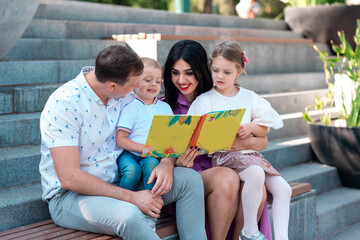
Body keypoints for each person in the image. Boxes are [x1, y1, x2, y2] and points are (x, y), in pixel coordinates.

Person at [39, 45, 207, 240]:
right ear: (112, 86)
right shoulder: (64, 104)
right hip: (73, 196)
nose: (136, 90)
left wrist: (166, 163)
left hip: (125, 181)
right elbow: (70, 178)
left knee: (189, 179)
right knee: (130, 215)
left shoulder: (123, 94)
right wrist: (133, 198)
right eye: (132, 86)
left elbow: (161, 140)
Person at [162, 39, 272, 240]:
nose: (181, 80)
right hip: (191, 178)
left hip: (225, 167)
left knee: (259, 190)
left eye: (188, 72)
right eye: (175, 73)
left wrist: (245, 142)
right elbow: (163, 152)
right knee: (227, 178)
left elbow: (262, 141)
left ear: (201, 71)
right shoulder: (164, 106)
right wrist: (177, 162)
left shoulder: (217, 97)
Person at [188, 41, 292, 240]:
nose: (220, 76)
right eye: (216, 70)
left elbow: (265, 127)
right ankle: (249, 230)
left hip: (251, 156)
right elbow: (194, 136)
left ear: (239, 71)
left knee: (283, 189)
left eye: (227, 72)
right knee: (255, 174)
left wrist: (250, 128)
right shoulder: (205, 101)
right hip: (225, 156)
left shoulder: (249, 97)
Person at [116, 57, 173, 192]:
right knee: (132, 171)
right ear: (135, 83)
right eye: (148, 80)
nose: (153, 84)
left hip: (151, 155)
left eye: (158, 81)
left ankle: (151, 201)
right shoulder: (130, 107)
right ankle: (122, 202)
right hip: (129, 154)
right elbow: (121, 139)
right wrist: (145, 148)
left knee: (152, 165)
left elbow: (171, 136)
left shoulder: (165, 108)